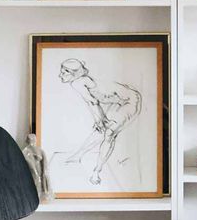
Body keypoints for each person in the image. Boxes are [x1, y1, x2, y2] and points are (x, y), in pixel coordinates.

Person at [58, 58, 142, 186]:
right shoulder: (81, 80)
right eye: (61, 71)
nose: (60, 75)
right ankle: (78, 156)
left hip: (129, 101)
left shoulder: (77, 82)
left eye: (65, 72)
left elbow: (93, 102)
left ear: (74, 74)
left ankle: (96, 172)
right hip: (117, 100)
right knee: (100, 130)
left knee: (109, 134)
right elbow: (94, 101)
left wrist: (100, 119)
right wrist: (100, 119)